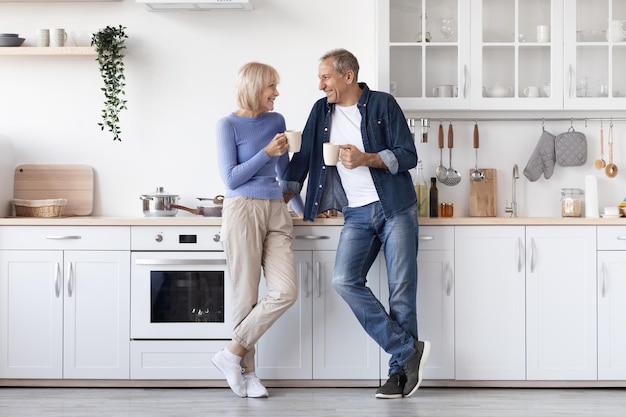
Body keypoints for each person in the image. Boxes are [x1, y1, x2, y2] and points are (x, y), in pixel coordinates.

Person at [280, 48, 430, 399]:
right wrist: (282, 196)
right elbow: (305, 157)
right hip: (357, 213)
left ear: (348, 76)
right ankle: (407, 351)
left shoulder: (382, 104)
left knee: (401, 294)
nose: (320, 85)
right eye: (320, 78)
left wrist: (367, 159)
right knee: (344, 280)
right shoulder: (322, 111)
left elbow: (408, 154)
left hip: (395, 207)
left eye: (326, 77)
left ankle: (398, 374)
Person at [214, 61, 303, 398]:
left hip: (276, 210)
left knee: (285, 291)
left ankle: (231, 355)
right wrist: (266, 151)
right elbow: (232, 178)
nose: (277, 93)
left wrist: (306, 210)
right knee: (245, 296)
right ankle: (249, 375)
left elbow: (284, 174)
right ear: (254, 87)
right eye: (272, 87)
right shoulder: (227, 126)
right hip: (242, 210)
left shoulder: (276, 121)